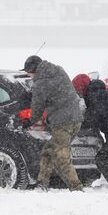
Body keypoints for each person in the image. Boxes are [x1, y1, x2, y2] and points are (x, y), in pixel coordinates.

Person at [22, 55, 84, 191]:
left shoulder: (40, 83)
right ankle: (42, 183)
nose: (29, 75)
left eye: (29, 72)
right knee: (48, 151)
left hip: (62, 123)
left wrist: (30, 121)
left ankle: (77, 189)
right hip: (76, 119)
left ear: (33, 69)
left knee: (61, 158)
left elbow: (37, 106)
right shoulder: (59, 71)